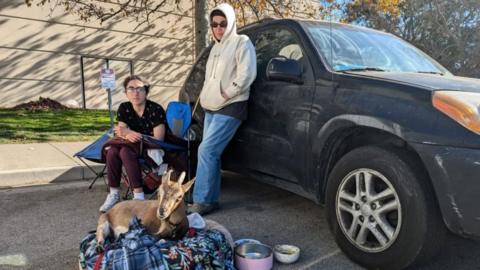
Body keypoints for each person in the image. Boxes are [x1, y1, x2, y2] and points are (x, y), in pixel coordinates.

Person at [188, 3, 257, 215]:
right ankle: (208, 197)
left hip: (230, 106)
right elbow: (210, 79)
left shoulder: (241, 42)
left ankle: (204, 200)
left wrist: (228, 92)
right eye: (214, 24)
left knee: (207, 150)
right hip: (211, 107)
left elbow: (247, 74)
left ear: (231, 23)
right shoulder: (215, 48)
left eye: (223, 23)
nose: (218, 28)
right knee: (210, 153)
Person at [99, 75, 166, 213]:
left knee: (124, 151)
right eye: (131, 89)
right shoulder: (124, 108)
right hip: (130, 147)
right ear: (126, 92)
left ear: (146, 92)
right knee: (113, 151)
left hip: (152, 149)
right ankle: (114, 194)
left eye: (140, 89)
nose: (136, 92)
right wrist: (127, 133)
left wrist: (133, 134)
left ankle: (139, 196)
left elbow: (158, 139)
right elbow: (122, 133)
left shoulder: (155, 109)